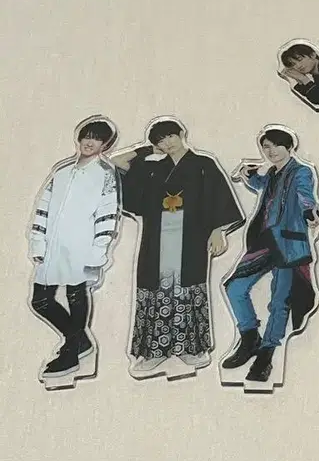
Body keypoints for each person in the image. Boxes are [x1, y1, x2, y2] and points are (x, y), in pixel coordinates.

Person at [112, 119, 244, 374]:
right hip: (157, 236)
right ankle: (154, 351)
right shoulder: (153, 168)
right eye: (161, 140)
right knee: (157, 287)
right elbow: (117, 162)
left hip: (191, 236)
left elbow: (217, 197)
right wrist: (147, 149)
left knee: (187, 288)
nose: (167, 143)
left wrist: (218, 230)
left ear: (181, 133)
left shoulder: (204, 164)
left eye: (170, 136)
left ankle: (190, 348)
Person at [223, 128, 319, 382]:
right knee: (234, 287)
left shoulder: (300, 171)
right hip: (264, 240)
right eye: (266, 147)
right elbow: (262, 186)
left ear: (289, 147)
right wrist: (249, 175)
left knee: (280, 301)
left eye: (276, 145)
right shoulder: (272, 174)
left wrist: (310, 212)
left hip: (288, 243)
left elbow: (304, 194)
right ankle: (249, 337)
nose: (271, 151)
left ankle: (266, 354)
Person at [29, 118, 120, 379]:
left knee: (75, 295)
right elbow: (43, 208)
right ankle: (79, 340)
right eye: (87, 136)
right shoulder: (62, 172)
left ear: (105, 145)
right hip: (53, 246)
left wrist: (98, 250)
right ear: (79, 138)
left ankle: (70, 354)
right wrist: (38, 241)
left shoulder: (105, 174)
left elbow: (108, 214)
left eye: (97, 139)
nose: (90, 142)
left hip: (82, 246)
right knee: (40, 301)